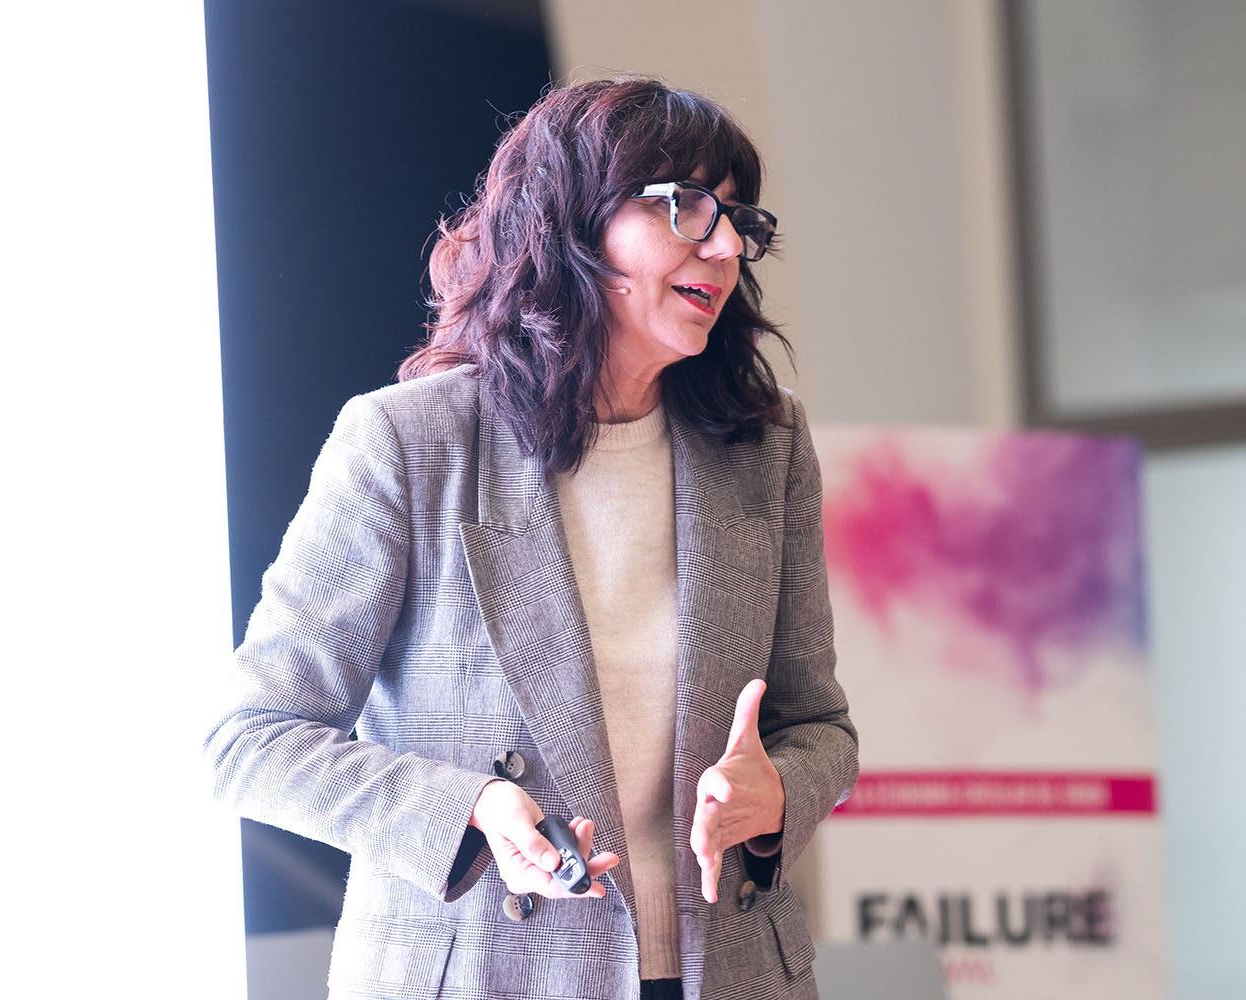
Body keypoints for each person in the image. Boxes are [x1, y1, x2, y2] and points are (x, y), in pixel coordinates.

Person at [206, 77, 858, 1000]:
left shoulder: (767, 441)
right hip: (487, 973)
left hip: (729, 972)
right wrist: (469, 808)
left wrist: (781, 791)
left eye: (735, 220)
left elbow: (819, 726)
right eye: (684, 207)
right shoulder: (408, 442)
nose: (722, 246)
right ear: (568, 221)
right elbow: (251, 740)